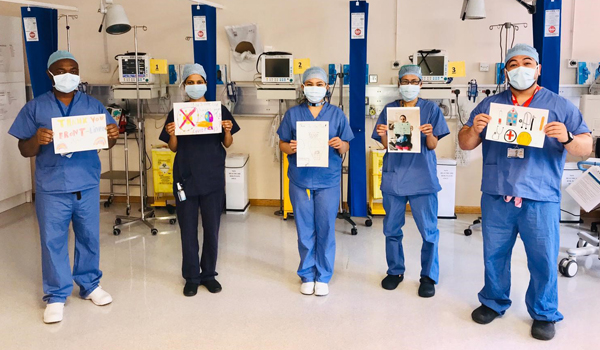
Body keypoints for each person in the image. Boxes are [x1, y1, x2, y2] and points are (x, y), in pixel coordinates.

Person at [458, 44, 593, 341]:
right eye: (513, 64)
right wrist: (474, 129)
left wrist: (568, 137)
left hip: (539, 196)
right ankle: (493, 301)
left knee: (542, 258)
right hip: (497, 194)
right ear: (506, 71)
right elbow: (465, 143)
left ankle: (544, 312)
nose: (520, 68)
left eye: (527, 62)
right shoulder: (490, 106)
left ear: (538, 68)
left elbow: (586, 146)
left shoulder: (559, 105)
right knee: (494, 254)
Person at [8, 50, 119, 324]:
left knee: (89, 237)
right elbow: (24, 149)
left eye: (72, 70)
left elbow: (107, 141)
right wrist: (37, 139)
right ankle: (56, 295)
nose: (67, 75)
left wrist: (112, 135)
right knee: (52, 241)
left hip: (87, 183)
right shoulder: (36, 107)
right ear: (50, 74)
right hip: (52, 187)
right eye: (60, 71)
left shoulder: (93, 106)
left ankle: (90, 285)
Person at [159, 63, 240, 297]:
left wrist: (226, 130)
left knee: (212, 228)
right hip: (185, 176)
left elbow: (227, 143)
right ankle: (192, 276)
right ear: (184, 86)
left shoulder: (219, 110)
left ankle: (208, 274)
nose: (195, 86)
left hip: (212, 176)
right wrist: (172, 134)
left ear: (206, 83)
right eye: (190, 82)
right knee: (187, 229)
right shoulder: (177, 113)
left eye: (199, 82)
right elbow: (173, 148)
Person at [372, 65, 450, 298]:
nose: (409, 85)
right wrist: (384, 132)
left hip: (422, 177)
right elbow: (385, 144)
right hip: (395, 176)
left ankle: (428, 276)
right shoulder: (389, 109)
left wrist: (428, 134)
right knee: (392, 228)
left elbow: (433, 145)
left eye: (413, 81)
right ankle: (395, 271)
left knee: (428, 230)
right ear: (399, 84)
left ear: (421, 84)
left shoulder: (431, 109)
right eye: (405, 81)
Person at [277, 67, 354, 296]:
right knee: (304, 228)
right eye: (310, 84)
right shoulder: (293, 114)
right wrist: (288, 147)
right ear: (303, 87)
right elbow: (282, 143)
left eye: (319, 84)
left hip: (328, 178)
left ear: (327, 88)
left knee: (326, 228)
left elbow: (346, 145)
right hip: (299, 178)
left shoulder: (337, 114)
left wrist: (340, 145)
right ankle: (307, 274)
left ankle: (324, 275)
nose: (315, 88)